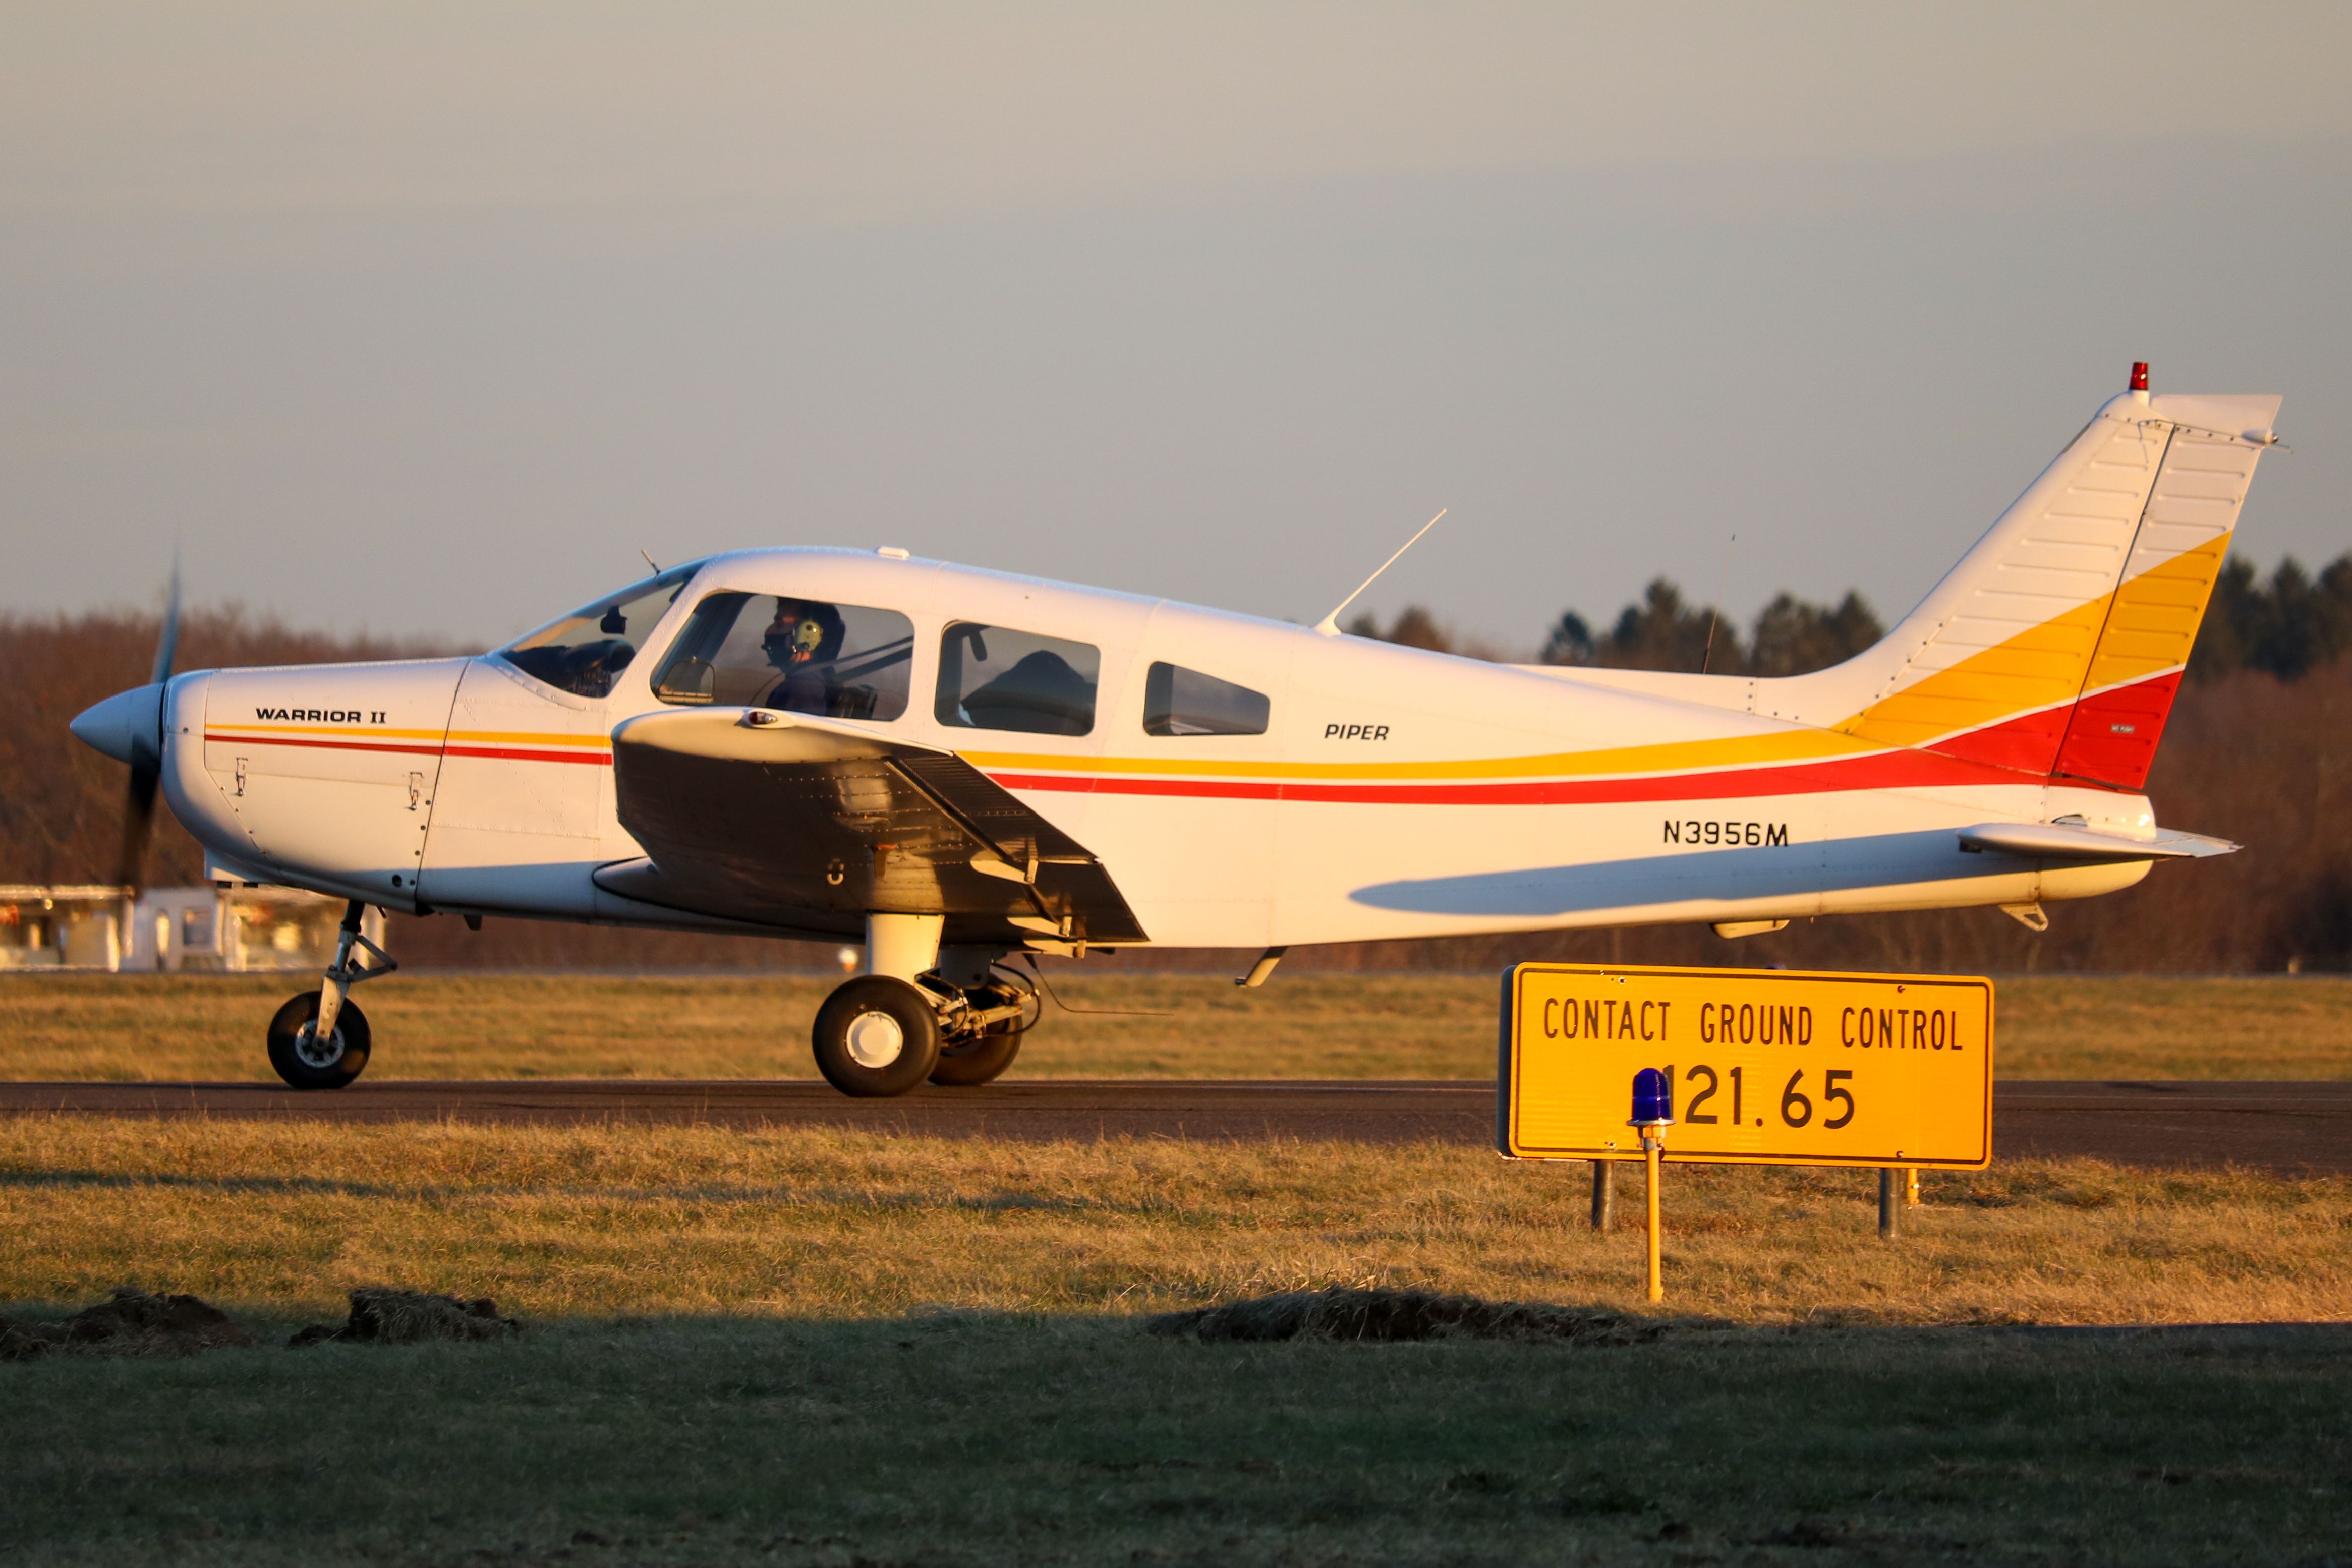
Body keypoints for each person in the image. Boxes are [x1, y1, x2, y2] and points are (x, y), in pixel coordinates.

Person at [757, 598, 842, 714]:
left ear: (807, 635)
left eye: (779, 624)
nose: (769, 631)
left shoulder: (801, 688)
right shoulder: (818, 678)